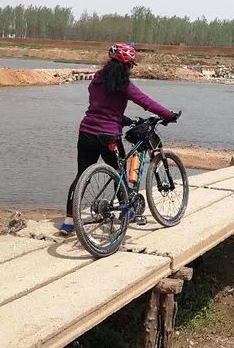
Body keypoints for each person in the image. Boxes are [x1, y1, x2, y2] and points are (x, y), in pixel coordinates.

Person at [59, 43, 179, 235]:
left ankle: (68, 222)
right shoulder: (125, 85)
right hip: (109, 137)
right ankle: (126, 211)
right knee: (120, 172)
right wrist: (168, 114)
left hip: (86, 132)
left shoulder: (96, 80)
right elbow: (146, 102)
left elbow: (99, 105)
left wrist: (120, 118)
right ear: (127, 66)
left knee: (81, 175)